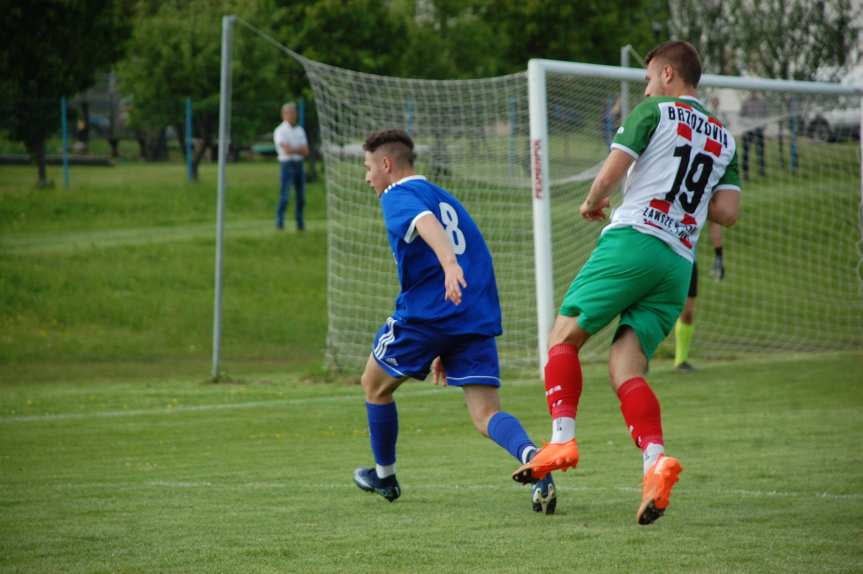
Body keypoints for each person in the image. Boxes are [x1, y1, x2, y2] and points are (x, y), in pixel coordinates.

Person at [512, 41, 741, 525]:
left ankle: (561, 438)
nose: (646, 86)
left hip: (635, 239)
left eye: (648, 78)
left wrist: (592, 201)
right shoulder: (725, 136)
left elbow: (612, 173)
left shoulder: (654, 110)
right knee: (627, 368)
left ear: (666, 74)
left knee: (564, 337)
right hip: (678, 262)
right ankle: (655, 462)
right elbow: (727, 211)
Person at [352, 129, 557, 514]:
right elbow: (478, 251)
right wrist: (453, 332)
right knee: (486, 415)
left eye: (367, 168)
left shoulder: (398, 195)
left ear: (386, 164)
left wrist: (448, 266)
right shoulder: (446, 197)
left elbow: (427, 223)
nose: (366, 178)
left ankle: (385, 476)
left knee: (374, 385)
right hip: (472, 315)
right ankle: (535, 456)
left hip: (429, 312)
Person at [674, 221, 725, 372]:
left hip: (688, 260)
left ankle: (681, 361)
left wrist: (719, 256)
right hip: (658, 254)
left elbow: (715, 221)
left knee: (687, 313)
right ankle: (641, 358)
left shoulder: (703, 197)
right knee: (649, 307)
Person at [273, 102, 309, 231]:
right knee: (285, 195)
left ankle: (300, 224)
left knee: (301, 196)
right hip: (286, 164)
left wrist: (294, 149)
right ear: (284, 114)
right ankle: (279, 223)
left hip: (299, 164)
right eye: (290, 112)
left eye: (294, 112)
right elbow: (286, 150)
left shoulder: (300, 130)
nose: (292, 115)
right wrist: (297, 149)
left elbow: (306, 151)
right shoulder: (280, 130)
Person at [740, 92, 767, 180]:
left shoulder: (762, 103)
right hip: (748, 130)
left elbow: (765, 116)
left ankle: (762, 171)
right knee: (746, 152)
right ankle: (745, 173)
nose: (754, 93)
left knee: (760, 151)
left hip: (758, 130)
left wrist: (762, 127)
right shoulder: (746, 102)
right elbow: (741, 116)